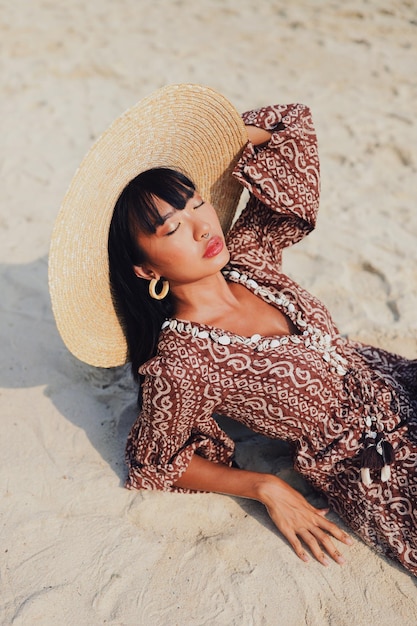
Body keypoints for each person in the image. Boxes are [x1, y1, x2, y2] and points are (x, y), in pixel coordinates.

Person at [49, 84, 417, 576]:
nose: (203, 228)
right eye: (171, 228)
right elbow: (155, 462)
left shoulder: (249, 258)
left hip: (398, 381)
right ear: (145, 270)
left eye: (197, 203)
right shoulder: (184, 360)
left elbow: (293, 128)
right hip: (379, 467)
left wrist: (215, 140)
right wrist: (265, 486)